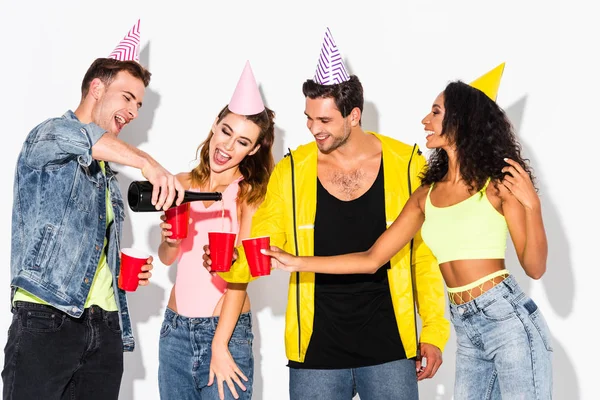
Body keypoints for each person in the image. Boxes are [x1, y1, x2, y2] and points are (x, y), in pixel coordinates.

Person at [264, 67, 554, 399]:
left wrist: (533, 206)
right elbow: (372, 259)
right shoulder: (425, 195)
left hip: (507, 318)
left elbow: (534, 267)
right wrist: (296, 262)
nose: (425, 120)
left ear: (461, 121)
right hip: (466, 325)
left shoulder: (499, 186)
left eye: (435, 112)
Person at [205, 28, 449, 400]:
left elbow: (425, 259)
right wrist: (228, 264)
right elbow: (265, 244)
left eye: (324, 121)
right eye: (309, 118)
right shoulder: (293, 170)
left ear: (353, 115)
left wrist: (432, 331)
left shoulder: (406, 165)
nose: (313, 130)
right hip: (315, 353)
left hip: (390, 348)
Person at [2, 21, 184, 400]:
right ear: (97, 88)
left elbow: (80, 247)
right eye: (128, 97)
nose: (133, 110)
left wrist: (119, 267)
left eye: (139, 104)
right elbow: (85, 139)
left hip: (105, 325)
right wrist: (149, 164)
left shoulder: (104, 172)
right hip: (45, 319)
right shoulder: (49, 135)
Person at [157, 61, 275, 400]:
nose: (227, 147)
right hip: (175, 331)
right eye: (225, 131)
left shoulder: (249, 195)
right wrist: (169, 241)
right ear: (215, 124)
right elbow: (168, 259)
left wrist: (220, 345)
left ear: (253, 149)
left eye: (242, 142)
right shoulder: (180, 184)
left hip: (226, 329)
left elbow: (242, 275)